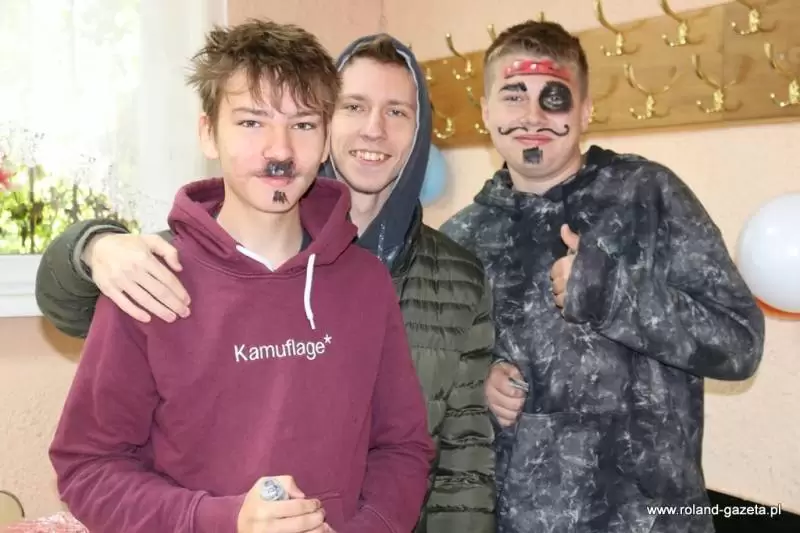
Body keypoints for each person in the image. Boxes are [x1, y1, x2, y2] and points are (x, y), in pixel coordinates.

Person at [36, 33, 495, 533]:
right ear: (208, 133)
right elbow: (89, 468)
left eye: (303, 124)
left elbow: (402, 448)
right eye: (252, 122)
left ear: (325, 137)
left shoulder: (366, 282)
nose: (280, 150)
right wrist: (221, 519)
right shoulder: (149, 278)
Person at [440, 20, 765, 533]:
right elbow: (432, 390)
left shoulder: (648, 196)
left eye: (553, 98)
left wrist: (610, 292)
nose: (532, 116)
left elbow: (740, 344)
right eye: (513, 96)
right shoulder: (460, 240)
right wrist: (475, 388)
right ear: (485, 112)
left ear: (585, 110)